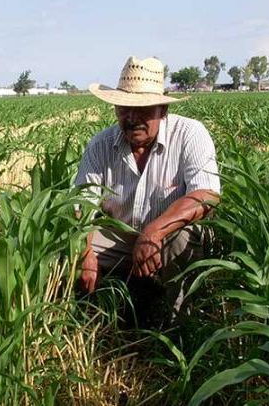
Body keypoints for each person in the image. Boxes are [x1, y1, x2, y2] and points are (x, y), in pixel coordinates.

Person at [75, 56, 220, 323]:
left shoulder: (189, 134)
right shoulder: (101, 145)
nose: (132, 119)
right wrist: (84, 254)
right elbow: (80, 206)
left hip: (168, 236)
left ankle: (179, 324)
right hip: (120, 236)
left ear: (163, 110)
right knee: (68, 244)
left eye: (143, 110)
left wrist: (153, 231)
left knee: (182, 239)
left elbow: (206, 194)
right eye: (124, 109)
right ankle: (87, 316)